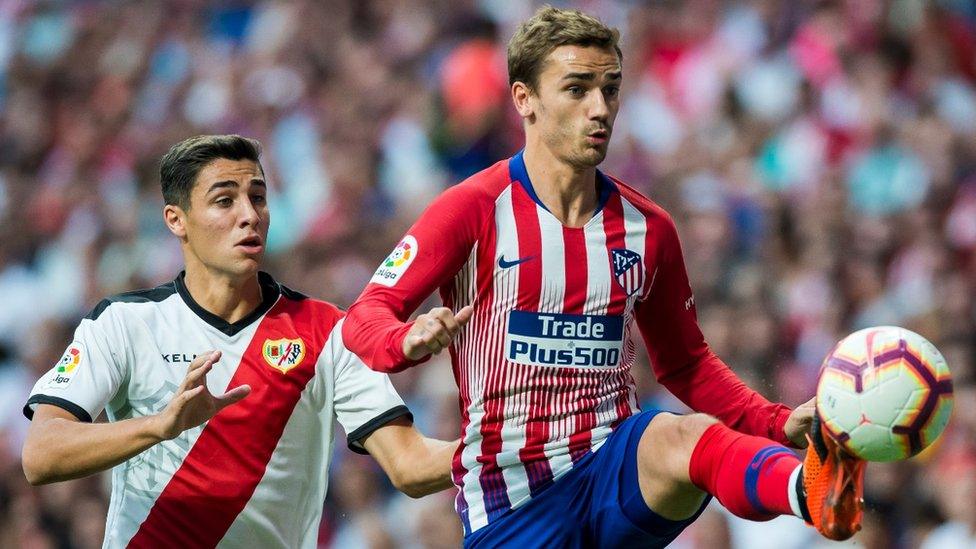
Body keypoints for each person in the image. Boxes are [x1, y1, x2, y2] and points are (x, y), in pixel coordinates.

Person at [342, 6, 865, 548]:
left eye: (610, 89)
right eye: (577, 89)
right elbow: (365, 315)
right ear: (525, 99)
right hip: (513, 500)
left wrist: (777, 424)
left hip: (613, 460)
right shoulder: (471, 209)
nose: (600, 109)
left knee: (685, 436)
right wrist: (404, 339)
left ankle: (811, 490)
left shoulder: (648, 228)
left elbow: (686, 364)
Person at [21, 135, 455, 548]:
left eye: (259, 198)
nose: (249, 215)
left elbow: (410, 466)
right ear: (176, 219)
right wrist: (160, 426)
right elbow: (41, 454)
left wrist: (519, 438)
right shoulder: (124, 323)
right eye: (224, 200)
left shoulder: (328, 332)